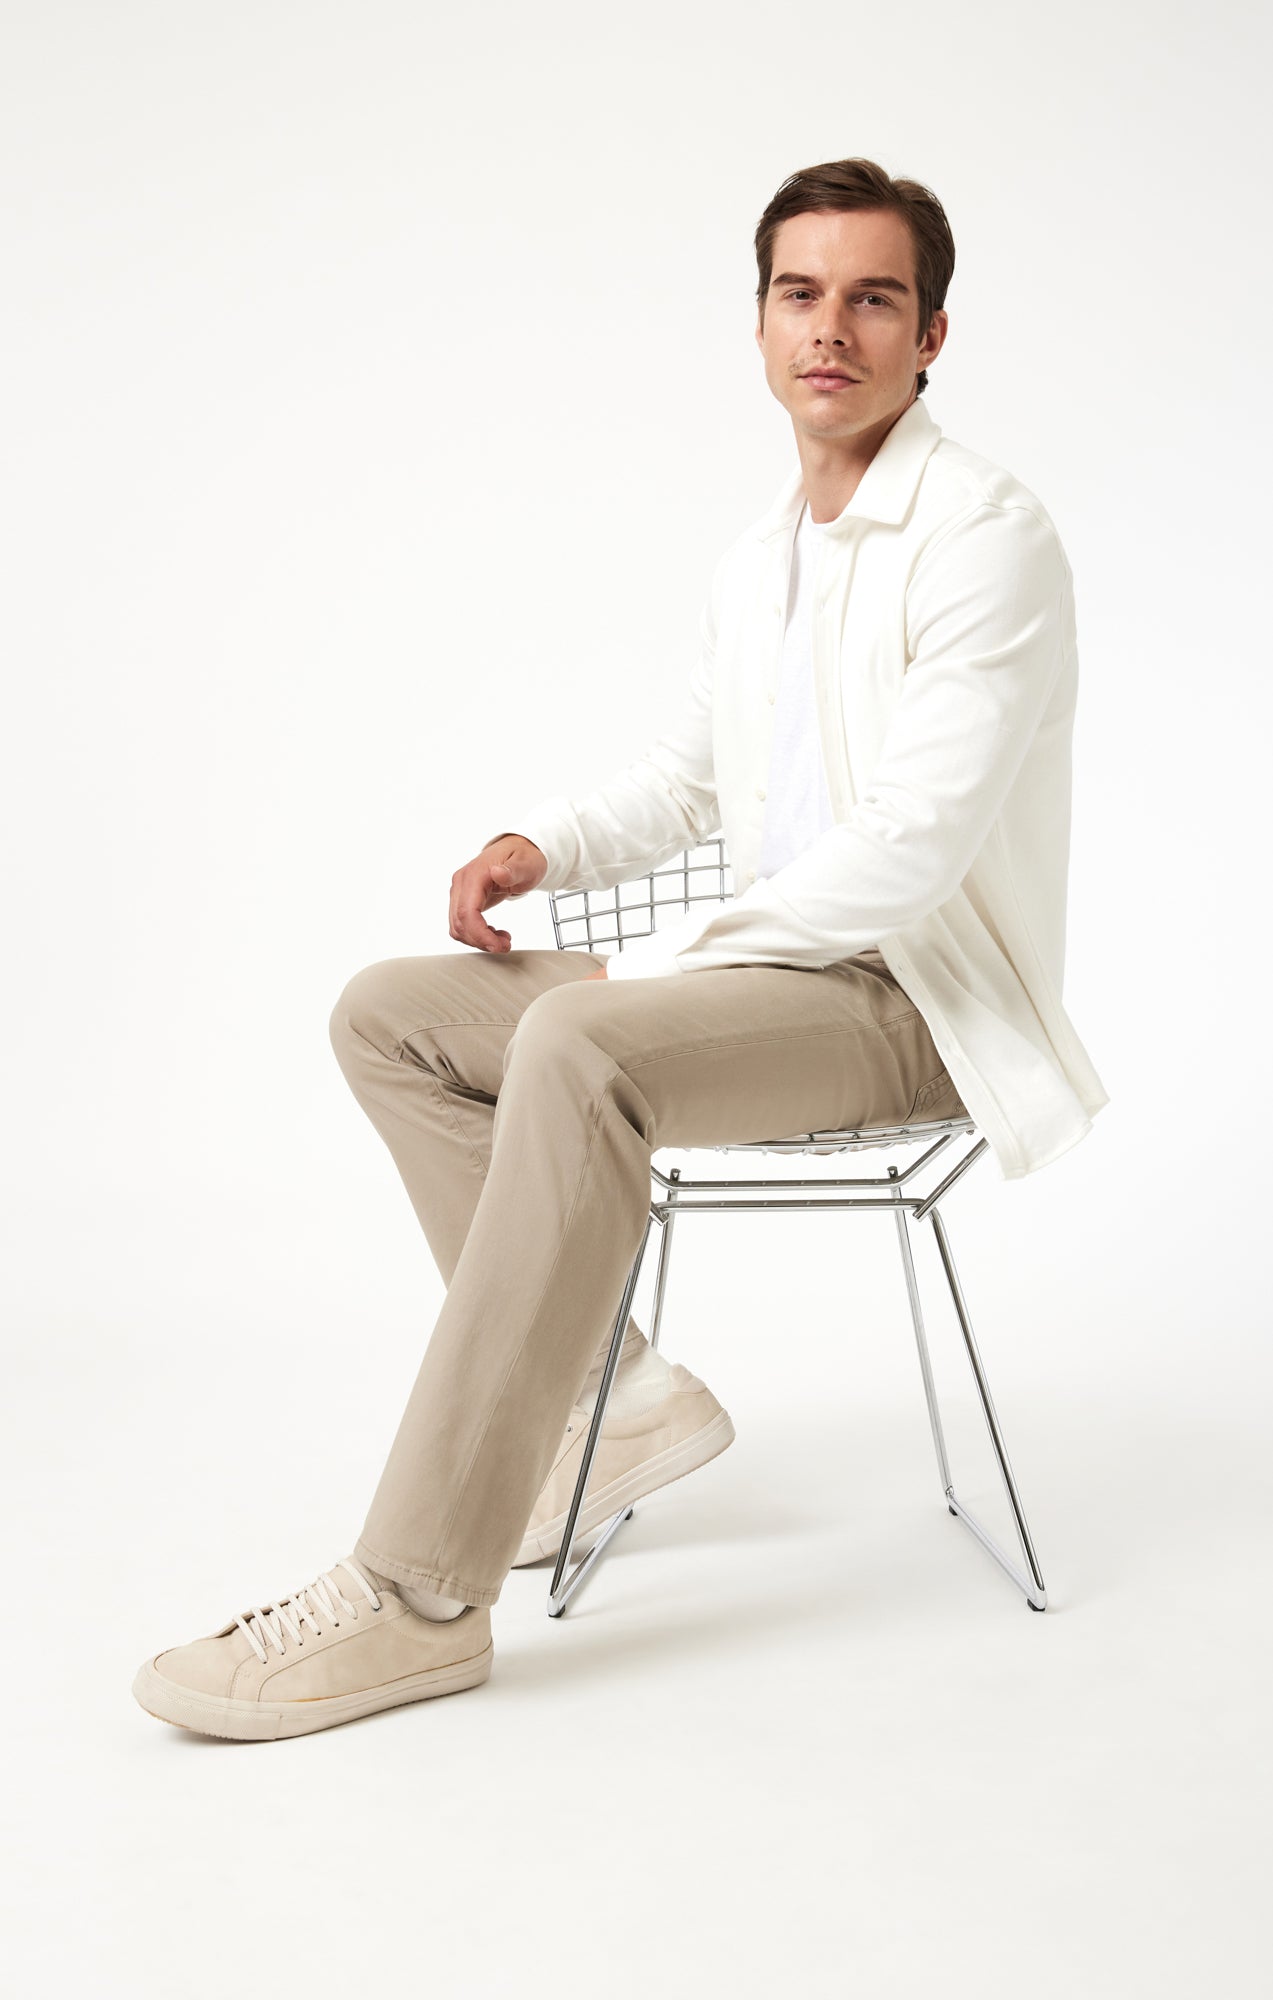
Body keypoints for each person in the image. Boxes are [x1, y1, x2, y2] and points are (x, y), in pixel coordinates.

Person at [133, 155, 1109, 1741]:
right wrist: (544, 846)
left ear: (930, 335)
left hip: (912, 1004)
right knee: (388, 1015)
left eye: (873, 299)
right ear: (759, 322)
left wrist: (651, 975)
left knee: (580, 1038)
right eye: (800, 293)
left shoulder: (985, 538)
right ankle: (612, 1392)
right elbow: (690, 780)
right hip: (758, 987)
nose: (831, 328)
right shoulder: (760, 559)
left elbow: (908, 852)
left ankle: (418, 1596)